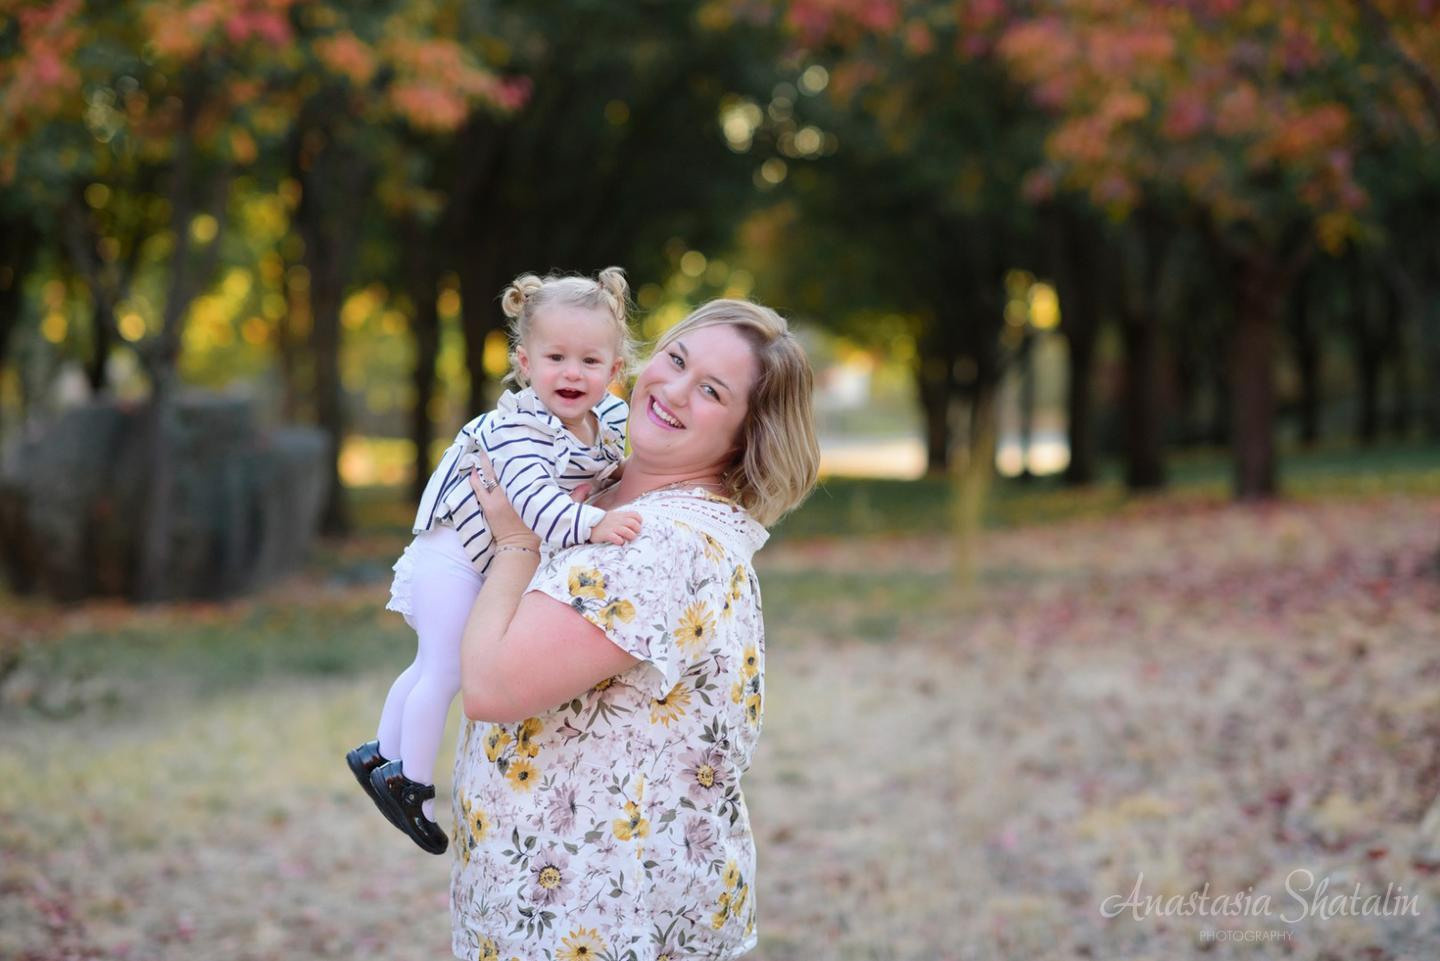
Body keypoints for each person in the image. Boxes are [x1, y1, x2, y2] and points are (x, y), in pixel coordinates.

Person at [449, 299, 820, 961]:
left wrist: (515, 544)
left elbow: (490, 686)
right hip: (546, 906)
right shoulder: (595, 495)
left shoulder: (660, 546)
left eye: (711, 391)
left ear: (746, 436)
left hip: (605, 923)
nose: (673, 390)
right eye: (675, 359)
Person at [345, 268, 646, 855]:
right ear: (525, 363)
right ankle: (411, 786)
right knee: (446, 669)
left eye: (589, 361)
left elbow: (613, 464)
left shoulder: (607, 420)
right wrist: (594, 523)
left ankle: (380, 755)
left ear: (614, 370)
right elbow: (534, 504)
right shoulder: (518, 429)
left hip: (473, 558)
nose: (572, 373)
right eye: (555, 357)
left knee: (429, 663)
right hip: (449, 556)